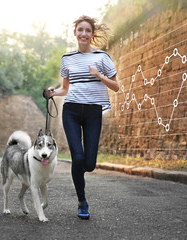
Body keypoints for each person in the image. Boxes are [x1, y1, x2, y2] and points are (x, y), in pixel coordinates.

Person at [48, 15, 119, 219]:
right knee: (77, 158)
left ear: (92, 34)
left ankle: (84, 181)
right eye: (81, 30)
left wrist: (99, 76)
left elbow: (116, 86)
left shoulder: (102, 57)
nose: (84, 34)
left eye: (88, 30)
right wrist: (53, 93)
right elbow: (65, 88)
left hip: (93, 113)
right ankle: (82, 201)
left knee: (89, 164)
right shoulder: (67, 59)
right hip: (71, 110)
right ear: (75, 33)